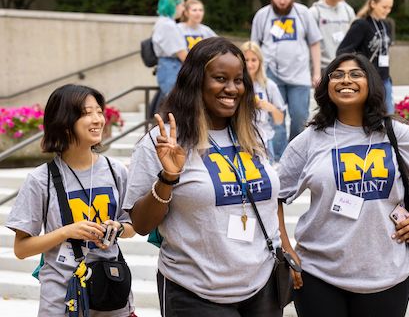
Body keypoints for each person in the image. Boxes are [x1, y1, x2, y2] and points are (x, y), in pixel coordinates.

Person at [277, 53, 409, 317]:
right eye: (336, 75)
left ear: (371, 83)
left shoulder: (394, 133)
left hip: (387, 275)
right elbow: (274, 195)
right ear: (326, 86)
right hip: (318, 273)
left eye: (355, 74)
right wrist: (286, 249)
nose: (345, 80)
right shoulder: (310, 139)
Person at [123, 37, 283, 317]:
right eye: (220, 78)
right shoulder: (163, 142)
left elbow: (271, 200)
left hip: (261, 288)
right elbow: (140, 223)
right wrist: (167, 178)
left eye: (238, 80)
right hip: (194, 292)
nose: (231, 89)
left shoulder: (252, 136)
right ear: (195, 81)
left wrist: (285, 248)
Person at [5, 84, 136, 316]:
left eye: (99, 111)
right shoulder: (40, 179)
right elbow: (21, 249)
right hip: (62, 301)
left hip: (111, 294)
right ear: (64, 122)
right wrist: (66, 232)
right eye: (87, 113)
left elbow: (131, 227)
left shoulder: (116, 170)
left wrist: (118, 228)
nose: (98, 119)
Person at [251, 0, 323, 161]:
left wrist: (316, 72)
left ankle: (295, 155)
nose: (282, 2)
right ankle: (278, 158)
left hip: (299, 75)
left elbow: (314, 43)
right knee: (276, 118)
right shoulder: (262, 15)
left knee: (300, 117)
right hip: (270, 76)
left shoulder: (303, 13)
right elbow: (254, 47)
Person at [337, 0, 395, 113]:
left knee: (388, 116)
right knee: (368, 116)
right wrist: (357, 68)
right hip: (366, 79)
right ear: (373, 3)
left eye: (390, 7)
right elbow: (342, 51)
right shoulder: (361, 25)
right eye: (384, 7)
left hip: (384, 78)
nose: (387, 11)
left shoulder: (387, 25)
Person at [240, 41, 285, 159]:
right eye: (246, 60)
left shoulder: (269, 86)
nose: (249, 64)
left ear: (260, 61)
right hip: (239, 138)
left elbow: (279, 120)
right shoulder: (236, 84)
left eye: (253, 60)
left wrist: (270, 107)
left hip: (264, 138)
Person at [309, 0, 356, 73]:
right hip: (323, 67)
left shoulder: (348, 10)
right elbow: (311, 42)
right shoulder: (315, 12)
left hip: (344, 65)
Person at [153, 0, 186, 98]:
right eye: (182, 5)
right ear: (174, 5)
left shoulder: (162, 22)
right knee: (175, 105)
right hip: (172, 68)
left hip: (167, 67)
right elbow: (182, 55)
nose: (183, 9)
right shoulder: (168, 25)